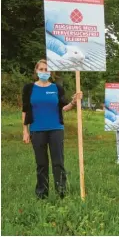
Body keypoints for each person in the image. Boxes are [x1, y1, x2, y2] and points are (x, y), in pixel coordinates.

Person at [22, 59, 83, 199]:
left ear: (51, 72)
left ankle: (61, 192)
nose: (44, 72)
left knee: (58, 162)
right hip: (37, 130)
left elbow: (64, 107)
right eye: (41, 69)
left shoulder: (57, 88)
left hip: (56, 129)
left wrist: (74, 101)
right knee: (41, 163)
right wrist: (25, 131)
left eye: (47, 70)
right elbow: (25, 110)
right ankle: (42, 193)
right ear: (36, 71)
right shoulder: (29, 88)